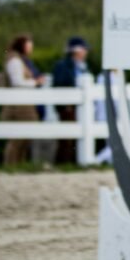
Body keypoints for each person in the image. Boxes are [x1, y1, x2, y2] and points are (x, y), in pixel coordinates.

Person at [0, 33, 47, 166]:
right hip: (18, 106)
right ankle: (10, 164)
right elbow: (17, 82)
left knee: (25, 137)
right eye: (28, 46)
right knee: (17, 138)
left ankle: (18, 164)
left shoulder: (20, 60)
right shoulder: (14, 61)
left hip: (24, 103)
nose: (30, 49)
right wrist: (35, 82)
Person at [51, 36, 89, 164]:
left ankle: (72, 162)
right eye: (83, 49)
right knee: (66, 138)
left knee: (73, 138)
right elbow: (60, 85)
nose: (85, 52)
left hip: (79, 107)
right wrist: (65, 103)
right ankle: (63, 162)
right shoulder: (63, 66)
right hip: (68, 106)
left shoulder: (82, 66)